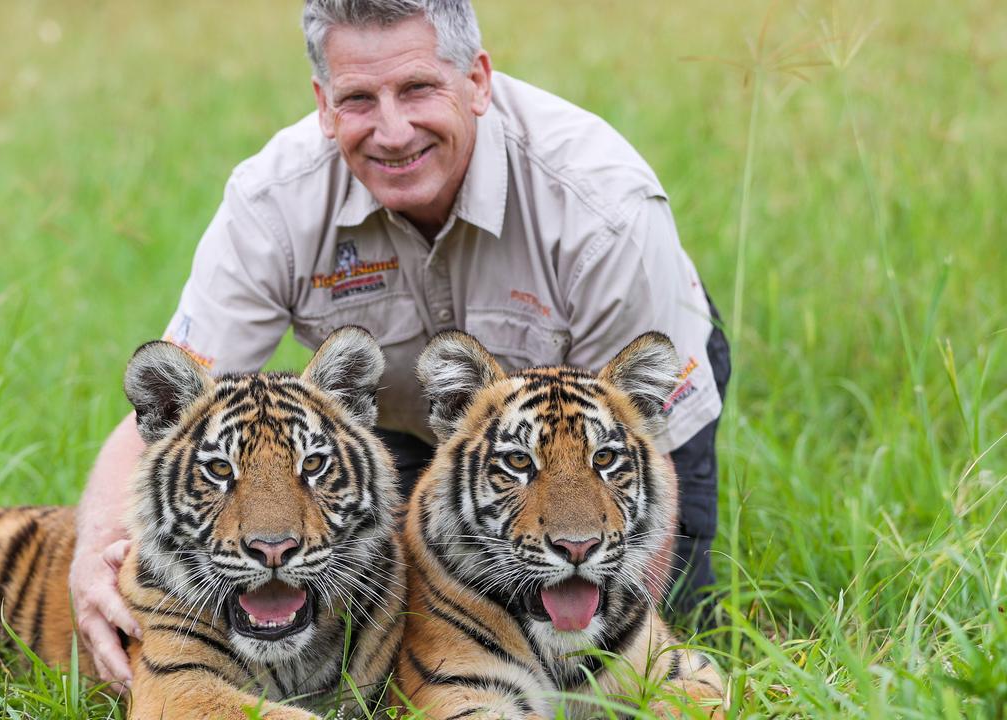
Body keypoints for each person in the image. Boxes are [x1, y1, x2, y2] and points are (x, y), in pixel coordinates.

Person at [70, 0, 730, 688]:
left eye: (417, 89)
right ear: (324, 106)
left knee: (646, 630)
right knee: (409, 633)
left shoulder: (603, 206)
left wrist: (609, 670)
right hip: (413, 424)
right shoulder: (273, 203)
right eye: (359, 99)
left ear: (477, 80)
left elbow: (634, 446)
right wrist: (94, 555)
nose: (392, 130)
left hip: (602, 434)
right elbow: (176, 418)